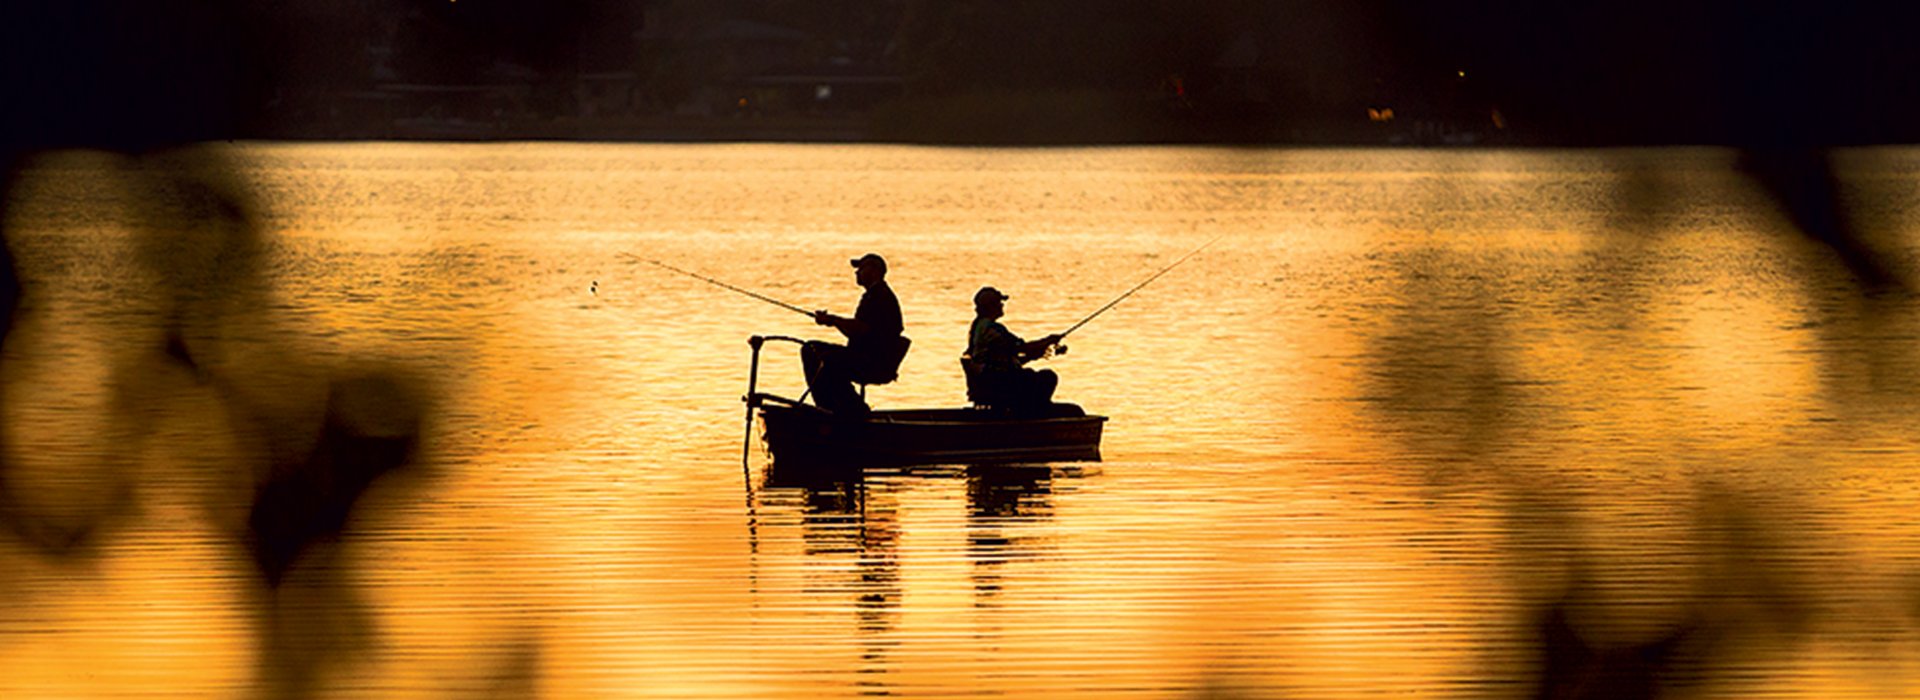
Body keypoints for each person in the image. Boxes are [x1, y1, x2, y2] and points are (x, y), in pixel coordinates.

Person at [803, 253, 905, 416]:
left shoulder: (879, 296)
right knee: (812, 349)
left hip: (871, 360)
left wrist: (832, 320)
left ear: (875, 271)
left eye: (861, 268)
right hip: (864, 356)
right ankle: (837, 407)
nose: (856, 272)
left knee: (820, 355)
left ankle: (848, 408)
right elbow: (856, 331)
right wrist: (832, 321)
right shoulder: (874, 294)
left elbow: (859, 329)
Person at [963, 286, 1063, 413]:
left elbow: (1002, 359)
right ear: (991, 306)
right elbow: (1022, 347)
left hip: (993, 381)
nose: (1002, 306)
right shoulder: (992, 329)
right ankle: (1034, 413)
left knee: (1029, 374)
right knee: (1047, 377)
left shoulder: (978, 327)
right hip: (998, 385)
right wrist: (1049, 340)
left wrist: (1030, 357)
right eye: (999, 303)